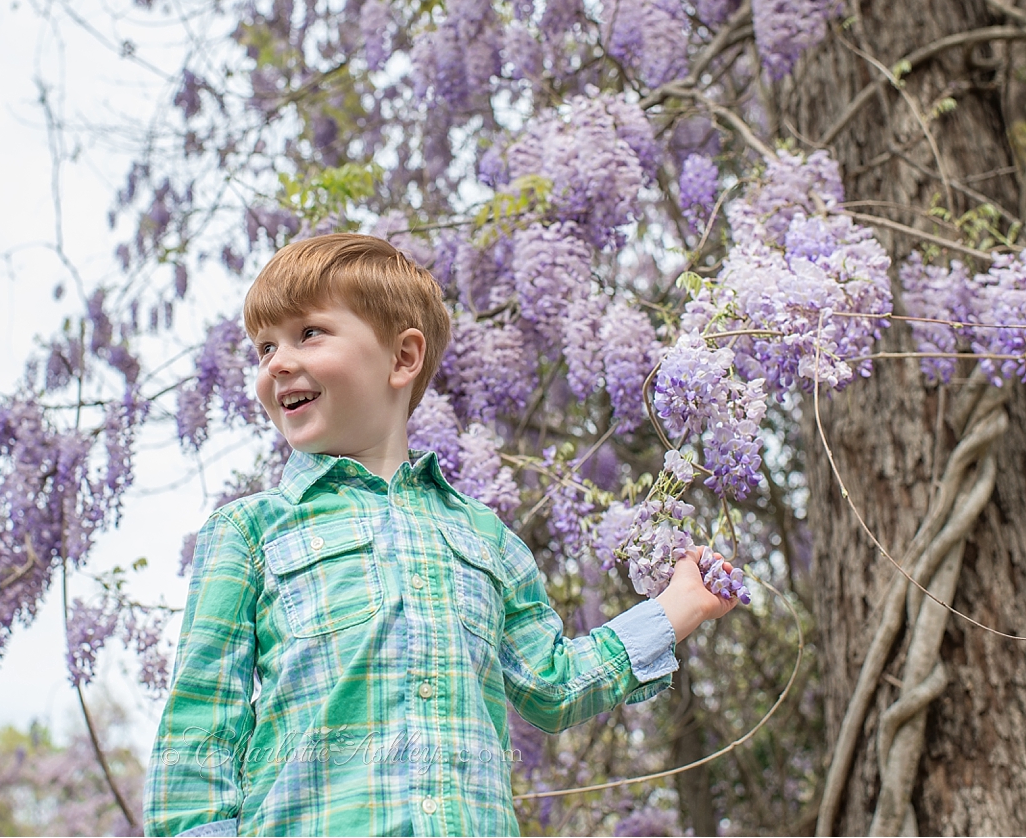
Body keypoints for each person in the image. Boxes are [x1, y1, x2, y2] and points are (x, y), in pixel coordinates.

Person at [144, 233, 739, 836]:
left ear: (403, 358)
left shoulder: (486, 537)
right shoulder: (248, 531)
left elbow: (553, 685)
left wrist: (675, 607)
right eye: (264, 347)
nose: (276, 363)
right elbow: (199, 738)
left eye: (308, 334)